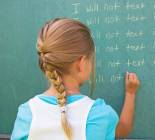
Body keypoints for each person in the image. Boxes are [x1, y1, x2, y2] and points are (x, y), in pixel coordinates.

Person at [11, 18, 140, 140]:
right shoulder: (100, 114)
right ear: (82, 63)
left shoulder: (27, 113)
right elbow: (123, 129)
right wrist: (131, 93)